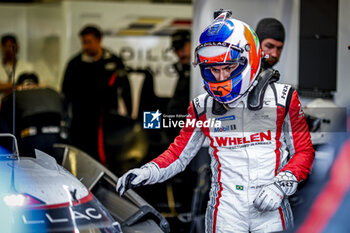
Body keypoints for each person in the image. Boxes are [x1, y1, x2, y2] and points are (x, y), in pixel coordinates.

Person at [116, 10, 314, 233]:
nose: (220, 77)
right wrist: (146, 171)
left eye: (228, 68)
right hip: (226, 209)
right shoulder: (202, 107)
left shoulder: (284, 98)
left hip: (271, 208)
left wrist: (281, 185)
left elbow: (304, 151)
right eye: (212, 69)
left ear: (249, 59)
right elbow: (178, 156)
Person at [62, 25, 132, 163]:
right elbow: (65, 92)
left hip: (107, 121)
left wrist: (128, 116)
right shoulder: (74, 64)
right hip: (81, 121)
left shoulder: (114, 62)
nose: (86, 46)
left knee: (107, 158)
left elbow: (126, 90)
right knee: (81, 158)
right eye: (83, 42)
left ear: (99, 40)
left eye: (89, 42)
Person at [0, 73, 64, 159]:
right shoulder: (52, 93)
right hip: (59, 141)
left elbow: (5, 133)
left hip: (30, 145)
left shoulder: (12, 97)